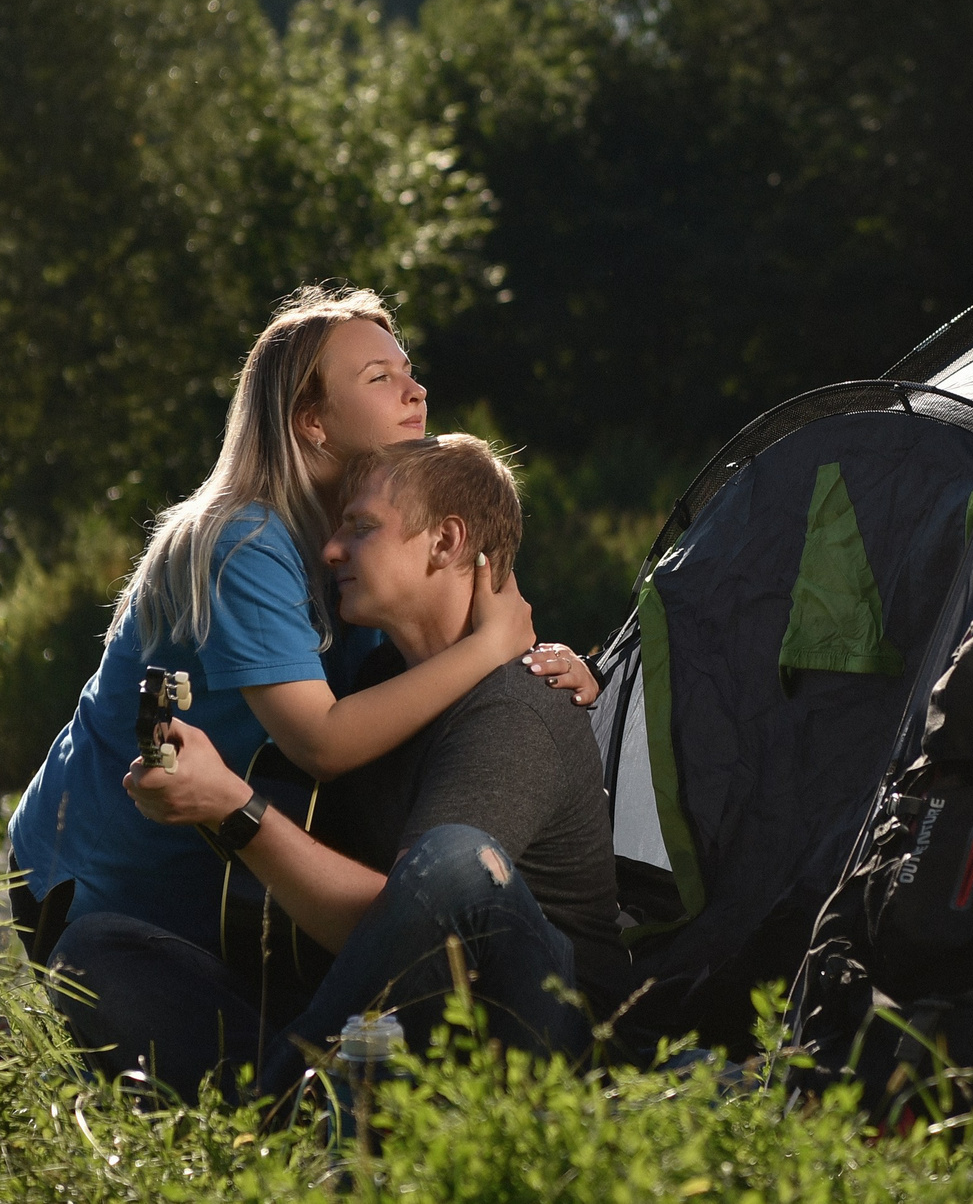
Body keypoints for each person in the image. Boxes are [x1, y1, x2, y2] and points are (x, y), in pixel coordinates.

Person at [6, 285, 597, 966]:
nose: (417, 391)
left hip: (240, 879)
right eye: (381, 377)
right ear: (311, 420)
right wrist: (493, 647)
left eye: (409, 371)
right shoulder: (243, 541)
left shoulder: (364, 545)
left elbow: (456, 627)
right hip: (102, 877)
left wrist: (546, 666)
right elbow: (321, 741)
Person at [51, 433, 623, 1100]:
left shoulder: (520, 704)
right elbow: (361, 923)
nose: (330, 550)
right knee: (91, 958)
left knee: (457, 860)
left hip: (537, 1032)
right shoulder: (379, 680)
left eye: (362, 527)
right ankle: (316, 1106)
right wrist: (200, 797)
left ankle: (268, 1113)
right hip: (388, 1029)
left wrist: (238, 813)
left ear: (445, 542)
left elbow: (425, 918)